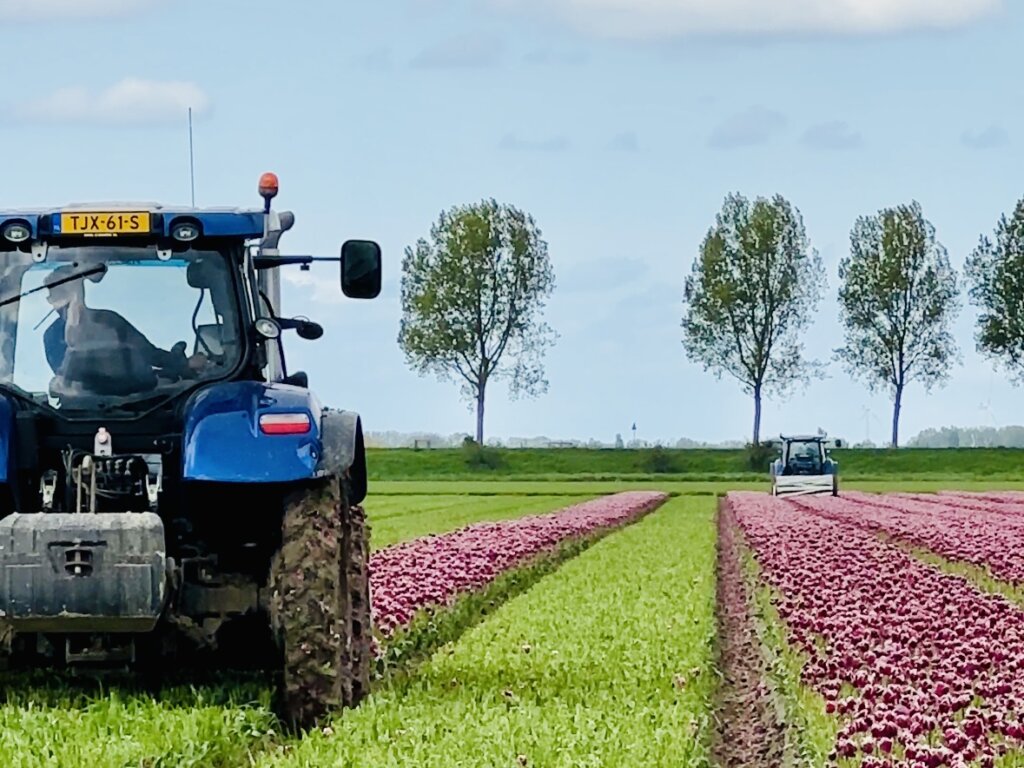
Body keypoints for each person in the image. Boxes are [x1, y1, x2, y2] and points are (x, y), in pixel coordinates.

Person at [42, 264, 195, 397]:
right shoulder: (52, 336)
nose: (56, 301)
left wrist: (183, 364)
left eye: (61, 293)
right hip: (83, 409)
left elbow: (148, 353)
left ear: (79, 290)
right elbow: (75, 380)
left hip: (139, 403)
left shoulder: (109, 320)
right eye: (53, 296)